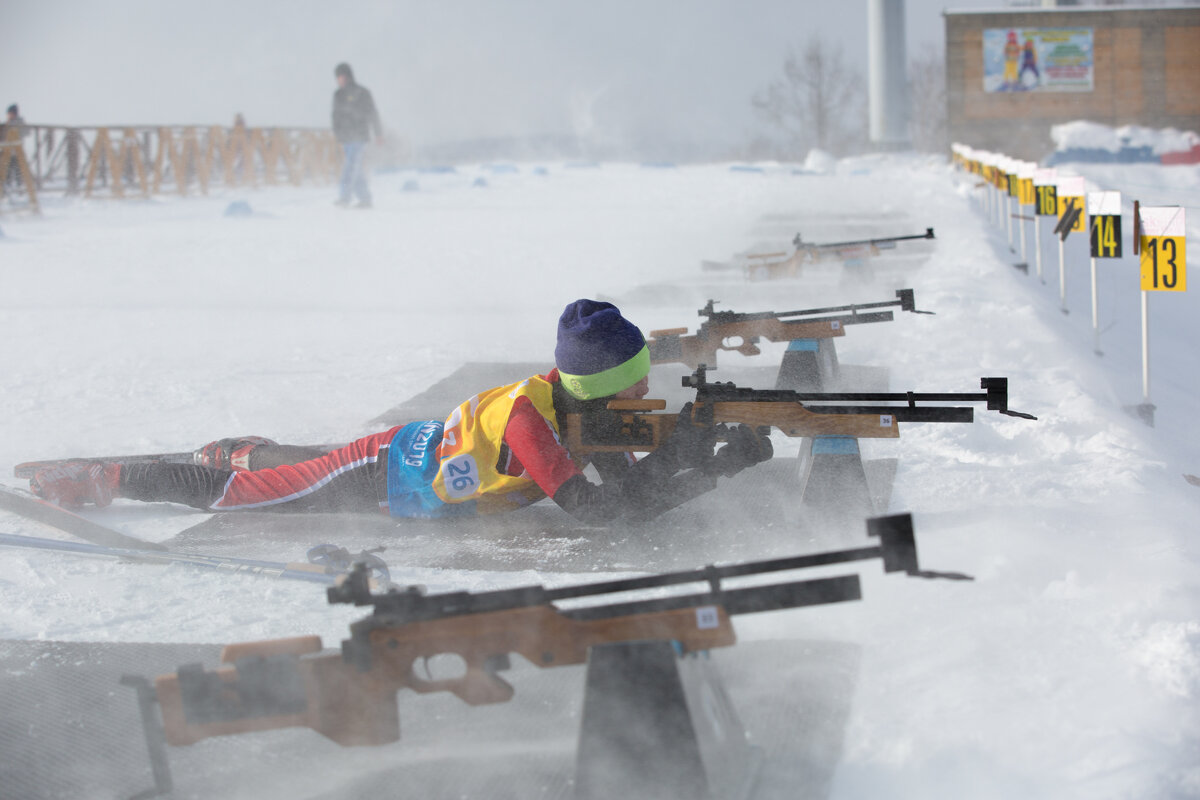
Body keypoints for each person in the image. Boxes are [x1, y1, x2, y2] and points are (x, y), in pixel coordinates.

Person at [30, 300, 772, 525]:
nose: (647, 395)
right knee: (257, 498)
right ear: (596, 385)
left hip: (406, 454)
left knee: (300, 465)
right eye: (635, 383)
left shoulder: (574, 407)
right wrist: (714, 466)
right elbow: (602, 513)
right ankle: (105, 474)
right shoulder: (532, 422)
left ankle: (245, 445)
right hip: (388, 474)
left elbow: (631, 486)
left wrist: (694, 451)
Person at [331, 62, 383, 209]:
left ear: (347, 76)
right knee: (357, 169)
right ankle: (365, 199)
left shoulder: (362, 92)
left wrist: (378, 133)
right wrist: (337, 133)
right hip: (346, 139)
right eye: (337, 77)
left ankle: (344, 197)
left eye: (341, 76)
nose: (339, 79)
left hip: (359, 136)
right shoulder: (338, 95)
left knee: (350, 167)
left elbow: (373, 113)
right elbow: (335, 116)